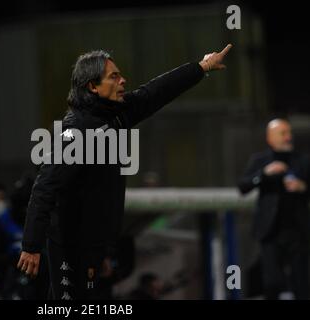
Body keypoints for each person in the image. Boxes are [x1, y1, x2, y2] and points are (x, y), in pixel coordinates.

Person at [18, 45, 232, 300]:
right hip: (71, 245)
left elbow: (155, 92)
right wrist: (31, 246)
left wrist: (202, 67)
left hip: (95, 245)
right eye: (114, 77)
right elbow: (44, 187)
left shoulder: (116, 115)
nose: (123, 81)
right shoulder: (75, 133)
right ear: (92, 87)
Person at [238, 119, 310, 299]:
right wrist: (264, 174)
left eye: (289, 133)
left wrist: (303, 187)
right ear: (270, 138)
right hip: (270, 231)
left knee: (301, 282)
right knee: (272, 282)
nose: (288, 137)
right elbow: (243, 187)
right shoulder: (260, 160)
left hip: (298, 230)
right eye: (283, 133)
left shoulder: (302, 160)